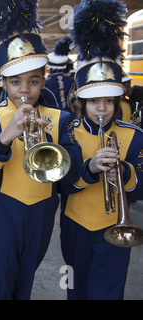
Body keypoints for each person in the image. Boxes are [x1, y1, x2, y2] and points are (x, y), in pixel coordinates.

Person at [0, 0, 83, 300]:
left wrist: (52, 140)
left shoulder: (62, 119)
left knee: (25, 283)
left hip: (42, 212)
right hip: (0, 212)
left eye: (33, 81)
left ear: (43, 80)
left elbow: (71, 177)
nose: (25, 90)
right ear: (4, 83)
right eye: (16, 82)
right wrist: (4, 138)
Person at [59, 0, 143, 300]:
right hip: (75, 225)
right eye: (94, 101)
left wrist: (124, 171)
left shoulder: (134, 136)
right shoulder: (68, 131)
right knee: (74, 288)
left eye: (109, 100)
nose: (102, 108)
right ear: (81, 102)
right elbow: (61, 182)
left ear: (119, 101)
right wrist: (91, 169)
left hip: (115, 227)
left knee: (108, 292)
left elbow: (142, 184)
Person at [43, 35, 75, 113]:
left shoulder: (45, 84)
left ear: (49, 68)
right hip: (69, 115)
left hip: (53, 117)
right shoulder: (72, 81)